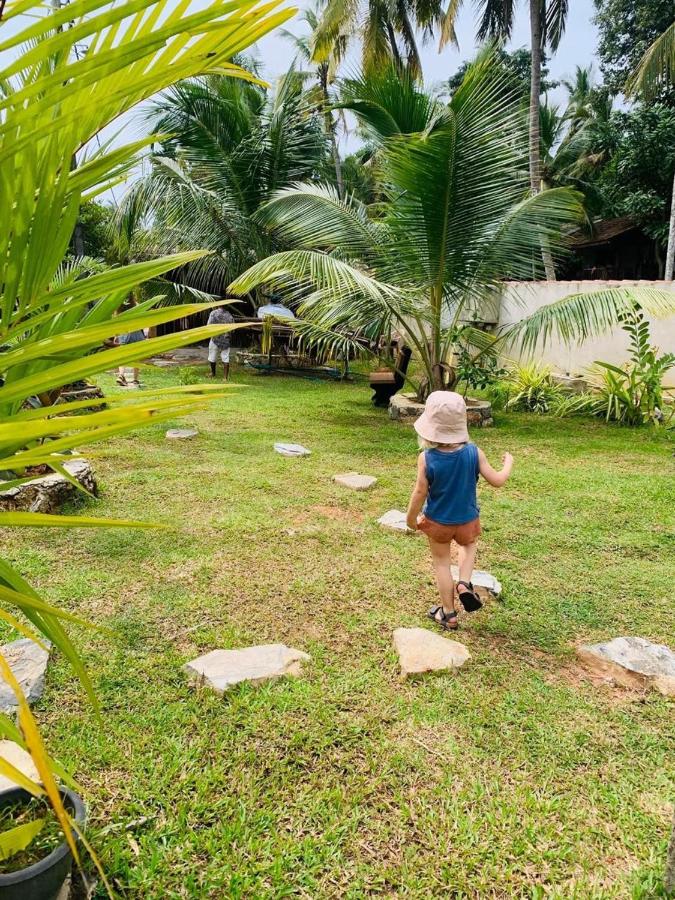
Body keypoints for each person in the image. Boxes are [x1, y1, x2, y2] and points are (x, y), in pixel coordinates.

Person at [405, 391, 513, 631]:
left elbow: (420, 492)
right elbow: (497, 480)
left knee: (442, 563)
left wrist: (411, 519)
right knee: (467, 546)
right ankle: (464, 582)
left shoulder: (427, 458)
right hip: (467, 520)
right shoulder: (474, 453)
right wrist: (508, 464)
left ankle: (448, 614)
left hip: (437, 522)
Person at [114, 296, 146, 387]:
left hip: (124, 334)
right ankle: (135, 379)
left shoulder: (118, 308)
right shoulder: (137, 305)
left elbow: (116, 323)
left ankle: (121, 376)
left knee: (122, 357)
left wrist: (116, 335)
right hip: (136, 333)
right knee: (136, 357)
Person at [207, 304, 235, 380]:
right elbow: (233, 329)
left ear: (218, 305)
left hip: (215, 338)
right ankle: (225, 378)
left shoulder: (213, 313)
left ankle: (213, 373)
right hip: (226, 339)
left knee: (212, 357)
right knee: (225, 358)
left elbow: (208, 326)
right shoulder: (229, 315)